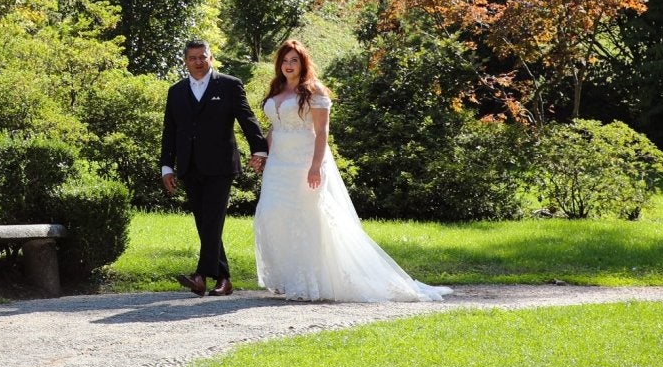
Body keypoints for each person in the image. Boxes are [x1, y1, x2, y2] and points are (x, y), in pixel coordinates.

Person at [253, 39, 452, 302]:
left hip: (304, 162)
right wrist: (263, 154)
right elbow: (275, 127)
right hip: (278, 165)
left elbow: (322, 130)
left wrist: (315, 166)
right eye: (285, 60)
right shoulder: (277, 89)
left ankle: (312, 281)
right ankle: (287, 278)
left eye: (294, 60)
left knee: (307, 219)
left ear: (303, 63)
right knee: (271, 215)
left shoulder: (314, 91)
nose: (289, 65)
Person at [159, 38, 267, 297]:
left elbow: (247, 118)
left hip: (221, 165)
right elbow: (169, 132)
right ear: (185, 61)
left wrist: (260, 149)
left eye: (202, 56)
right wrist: (166, 167)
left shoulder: (229, 85)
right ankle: (224, 278)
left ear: (211, 57)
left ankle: (200, 275)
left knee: (212, 219)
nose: (198, 62)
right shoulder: (176, 91)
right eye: (192, 58)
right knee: (205, 222)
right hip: (189, 165)